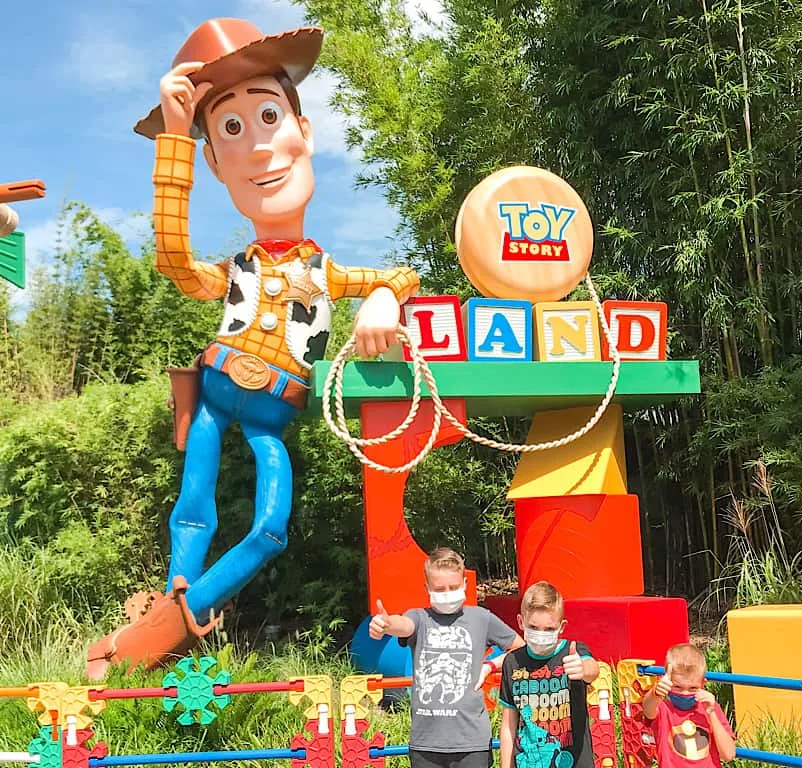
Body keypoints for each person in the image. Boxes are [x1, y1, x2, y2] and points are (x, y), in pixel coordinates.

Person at [86, 18, 419, 680]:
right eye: (230, 131)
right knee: (193, 510)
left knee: (270, 527)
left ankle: (171, 623)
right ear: (213, 162)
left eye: (268, 116)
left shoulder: (328, 272)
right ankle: (174, 617)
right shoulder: (235, 266)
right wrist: (176, 138)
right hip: (213, 392)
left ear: (305, 132)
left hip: (275, 410)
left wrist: (384, 300)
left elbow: (399, 277)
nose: (259, 148)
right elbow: (175, 261)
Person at [370, 548, 525, 768]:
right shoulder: (419, 617)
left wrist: (491, 665)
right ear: (427, 589)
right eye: (439, 589)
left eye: (453, 587)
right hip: (426, 744)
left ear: (465, 584)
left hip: (473, 743)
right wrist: (386, 625)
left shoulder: (482, 618)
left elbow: (520, 649)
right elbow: (403, 625)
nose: (447, 593)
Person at [498, 581, 599, 768]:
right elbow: (508, 725)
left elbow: (592, 669)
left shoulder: (572, 651)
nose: (541, 635)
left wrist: (583, 669)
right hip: (528, 761)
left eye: (550, 629)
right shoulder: (512, 662)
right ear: (521, 622)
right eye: (534, 627)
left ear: (562, 627)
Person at [640, 644, 736, 767]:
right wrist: (656, 692)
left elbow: (728, 754)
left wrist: (711, 713)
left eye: (693, 688)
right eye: (678, 687)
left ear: (703, 684)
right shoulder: (663, 709)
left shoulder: (710, 708)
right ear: (667, 682)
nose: (685, 693)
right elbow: (648, 708)